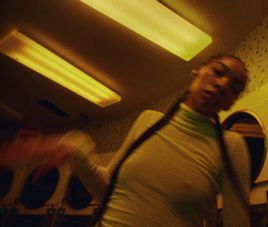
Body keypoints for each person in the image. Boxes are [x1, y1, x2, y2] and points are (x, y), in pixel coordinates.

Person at [1, 53, 250, 226]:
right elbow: (106, 190)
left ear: (231, 102)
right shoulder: (148, 121)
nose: (222, 84)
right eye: (218, 72)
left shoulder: (232, 147)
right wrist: (76, 145)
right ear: (198, 70)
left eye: (233, 87)